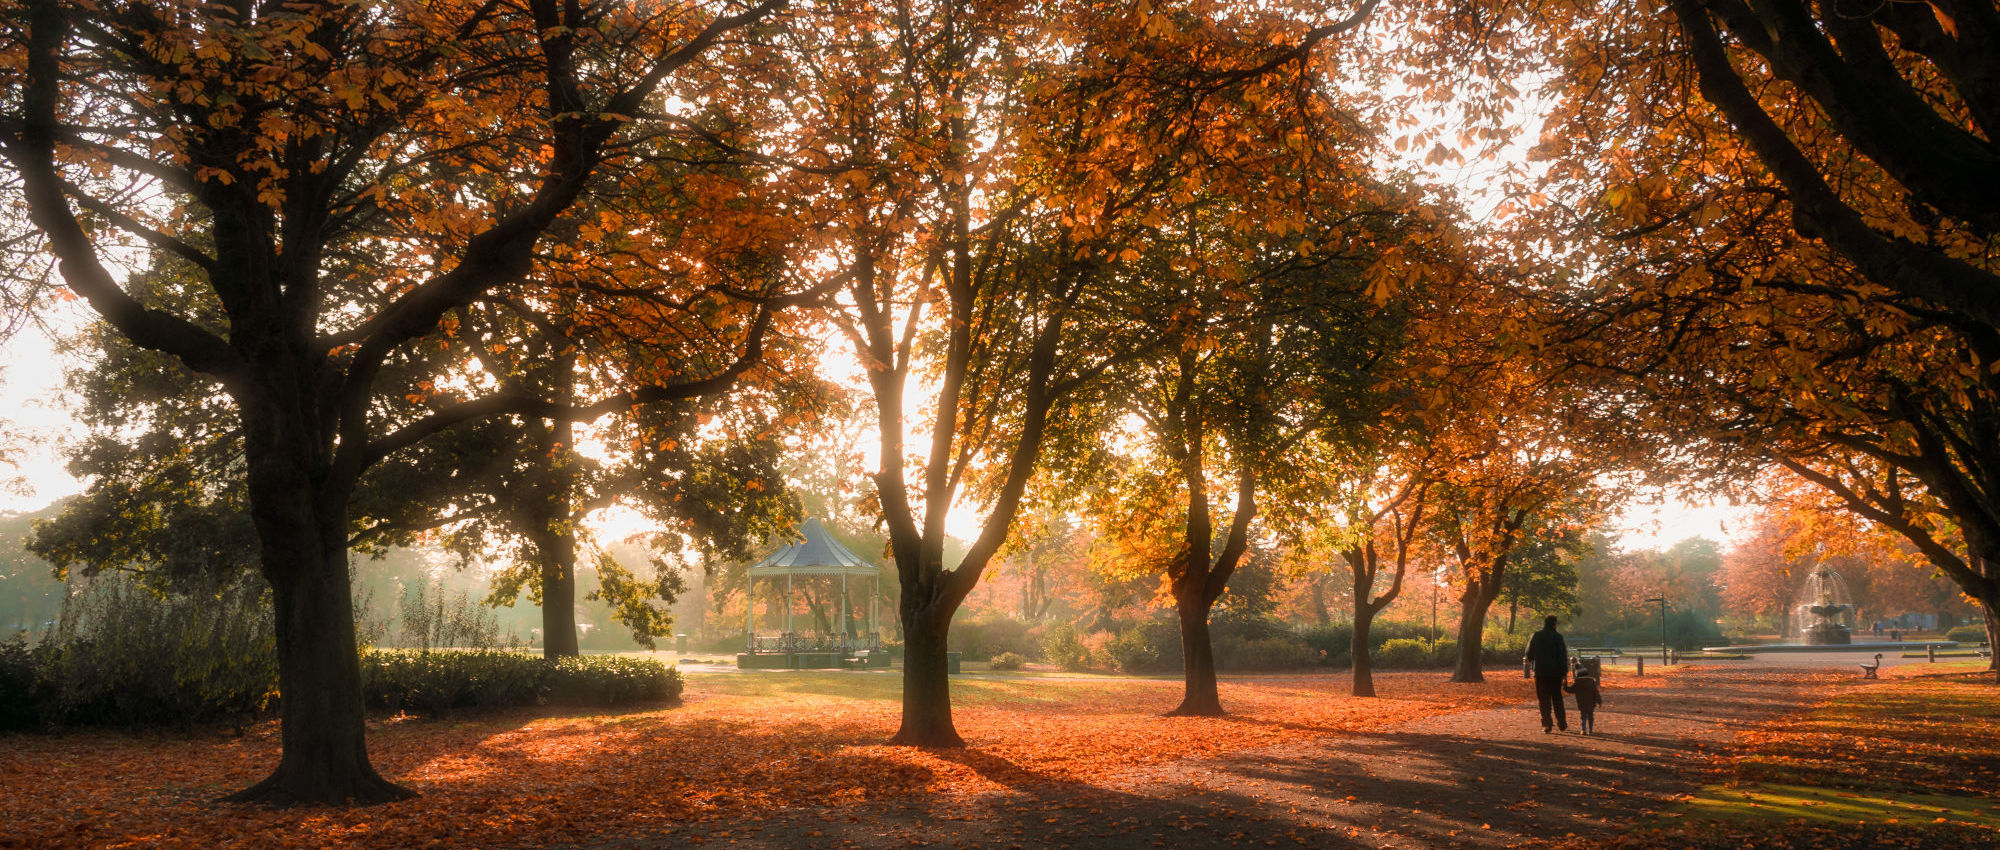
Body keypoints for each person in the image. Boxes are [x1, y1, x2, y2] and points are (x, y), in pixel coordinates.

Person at [1524, 615, 1569, 733]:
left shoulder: (1536, 636)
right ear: (1555, 624)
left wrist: (1535, 661)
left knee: (1543, 699)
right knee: (1557, 698)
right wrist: (1564, 673)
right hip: (1556, 673)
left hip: (1540, 672)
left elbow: (1528, 653)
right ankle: (1562, 722)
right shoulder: (1558, 637)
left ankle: (1547, 724)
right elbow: (1562, 656)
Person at [1564, 660, 1603, 735]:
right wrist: (1599, 701)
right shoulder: (1591, 682)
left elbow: (1570, 690)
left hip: (1582, 704)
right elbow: (1596, 693)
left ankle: (1583, 729)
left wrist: (1565, 686)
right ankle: (1591, 730)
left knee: (1583, 716)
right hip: (1591, 703)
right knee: (1591, 716)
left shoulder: (1577, 683)